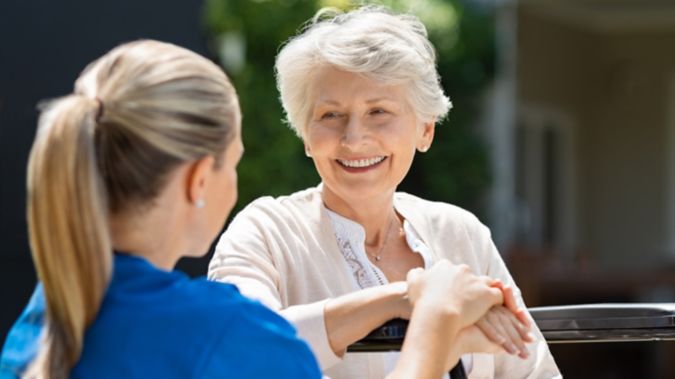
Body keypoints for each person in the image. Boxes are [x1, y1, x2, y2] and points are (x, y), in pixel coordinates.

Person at [0, 39, 516, 379]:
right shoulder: (226, 335)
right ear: (201, 178)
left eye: (379, 112)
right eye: (234, 164)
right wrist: (435, 319)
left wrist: (408, 307)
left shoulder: (47, 316)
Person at [208, 6, 562, 379]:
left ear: (425, 130)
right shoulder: (265, 233)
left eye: (378, 111)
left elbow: (533, 372)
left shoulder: (460, 232)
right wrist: (406, 300)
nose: (353, 138)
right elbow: (240, 349)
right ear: (305, 135)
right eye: (330, 115)